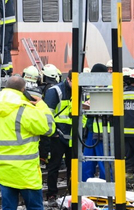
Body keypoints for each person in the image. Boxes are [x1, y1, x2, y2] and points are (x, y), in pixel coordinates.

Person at [0, 75, 57, 210]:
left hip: (3, 170)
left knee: (8, 207)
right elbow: (49, 128)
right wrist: (42, 106)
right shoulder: (25, 110)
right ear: (23, 90)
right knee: (34, 207)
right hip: (26, 171)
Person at [44, 70, 74, 202]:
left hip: (73, 135)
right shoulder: (55, 91)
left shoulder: (81, 91)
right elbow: (47, 114)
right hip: (58, 136)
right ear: (69, 80)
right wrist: (53, 133)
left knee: (73, 166)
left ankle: (73, 194)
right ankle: (51, 194)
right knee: (54, 166)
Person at [82, 63, 110, 180]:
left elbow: (88, 107)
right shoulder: (94, 89)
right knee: (87, 163)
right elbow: (85, 107)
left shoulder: (109, 90)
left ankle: (107, 190)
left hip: (104, 132)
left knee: (105, 164)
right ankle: (86, 188)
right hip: (92, 131)